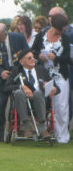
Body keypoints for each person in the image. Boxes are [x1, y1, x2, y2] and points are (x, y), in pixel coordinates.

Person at [32, 14, 70, 143]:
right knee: (44, 103)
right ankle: (43, 131)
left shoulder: (65, 39)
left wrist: (56, 58)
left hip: (60, 75)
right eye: (60, 29)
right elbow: (32, 51)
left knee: (61, 106)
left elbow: (69, 59)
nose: (62, 32)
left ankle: (62, 136)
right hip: (44, 76)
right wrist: (39, 56)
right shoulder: (41, 36)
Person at [4, 49, 59, 139]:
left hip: (40, 101)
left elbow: (56, 87)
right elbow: (6, 88)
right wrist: (21, 86)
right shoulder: (17, 71)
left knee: (37, 92)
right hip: (23, 102)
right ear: (22, 61)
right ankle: (26, 126)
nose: (33, 59)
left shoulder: (41, 70)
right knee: (18, 92)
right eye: (29, 58)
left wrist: (54, 89)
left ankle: (42, 128)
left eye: (33, 57)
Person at [0, 23, 28, 141]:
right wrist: (0, 72)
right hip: (2, 77)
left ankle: (21, 130)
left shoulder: (18, 38)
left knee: (20, 101)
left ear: (5, 33)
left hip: (18, 74)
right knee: (0, 104)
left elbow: (26, 54)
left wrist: (17, 71)